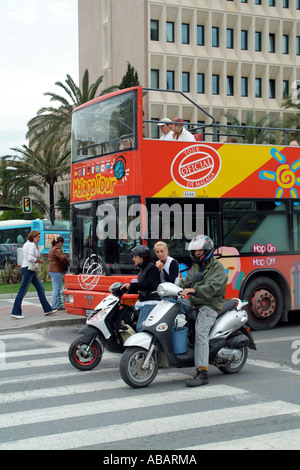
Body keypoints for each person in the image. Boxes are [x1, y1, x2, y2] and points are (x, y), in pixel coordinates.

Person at [178, 235, 228, 387]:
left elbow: (212, 288)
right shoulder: (196, 267)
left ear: (206, 251)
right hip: (196, 300)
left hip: (210, 303)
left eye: (199, 251)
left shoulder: (217, 267)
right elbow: (185, 282)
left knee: (201, 332)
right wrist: (173, 288)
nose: (196, 253)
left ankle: (202, 372)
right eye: (194, 251)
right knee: (173, 304)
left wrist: (193, 290)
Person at [11, 231, 57, 319]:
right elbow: (30, 258)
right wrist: (38, 260)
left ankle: (47, 309)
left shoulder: (27, 244)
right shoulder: (31, 245)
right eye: (38, 237)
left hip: (28, 269)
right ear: (33, 237)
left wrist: (37, 249)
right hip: (29, 269)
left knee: (40, 288)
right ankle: (15, 312)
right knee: (23, 291)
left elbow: (33, 255)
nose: (39, 239)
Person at [121, 245, 161, 332]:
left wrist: (132, 286)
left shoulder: (152, 268)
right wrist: (129, 289)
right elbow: (142, 286)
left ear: (142, 257)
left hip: (151, 301)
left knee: (140, 328)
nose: (133, 259)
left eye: (135, 257)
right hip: (144, 301)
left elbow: (149, 284)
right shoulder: (143, 268)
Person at [48, 236, 69, 310]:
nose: (62, 245)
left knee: (55, 288)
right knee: (57, 289)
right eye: (62, 243)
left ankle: (56, 305)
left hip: (51, 270)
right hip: (56, 270)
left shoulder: (52, 248)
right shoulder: (57, 249)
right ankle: (55, 306)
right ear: (60, 243)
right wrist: (68, 260)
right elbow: (62, 257)